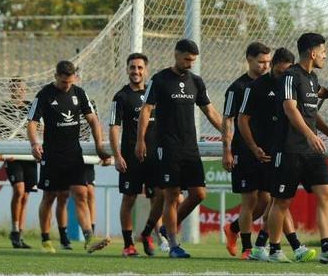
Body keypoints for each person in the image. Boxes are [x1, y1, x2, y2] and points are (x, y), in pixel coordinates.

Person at [266, 33, 328, 264]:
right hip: (289, 149)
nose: (326, 55)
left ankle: (327, 248)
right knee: (281, 201)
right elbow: (290, 108)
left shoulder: (312, 78)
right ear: (313, 53)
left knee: (326, 193)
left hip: (311, 151)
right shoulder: (289, 76)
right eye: (324, 52)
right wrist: (310, 135)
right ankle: (274, 250)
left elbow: (321, 98)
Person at [135, 39, 225, 258]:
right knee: (172, 195)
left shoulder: (196, 81)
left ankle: (168, 227)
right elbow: (146, 110)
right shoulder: (160, 79)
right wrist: (141, 141)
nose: (190, 64)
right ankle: (174, 245)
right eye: (187, 59)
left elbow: (210, 112)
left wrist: (229, 133)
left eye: (193, 60)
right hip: (167, 146)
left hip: (190, 146)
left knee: (199, 194)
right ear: (176, 54)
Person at [239, 47, 316, 263]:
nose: (285, 76)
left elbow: (309, 107)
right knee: (275, 202)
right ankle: (284, 246)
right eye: (281, 72)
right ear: (274, 66)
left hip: (281, 150)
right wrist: (254, 148)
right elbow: (242, 119)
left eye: (288, 72)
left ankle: (264, 247)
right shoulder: (256, 87)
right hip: (261, 153)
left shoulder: (292, 83)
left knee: (278, 201)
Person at [28, 60, 111, 254]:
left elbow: (93, 120)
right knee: (49, 196)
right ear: (56, 76)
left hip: (73, 154)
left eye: (70, 82)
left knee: (81, 194)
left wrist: (99, 144)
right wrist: (34, 144)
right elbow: (31, 123)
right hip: (52, 155)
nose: (67, 85)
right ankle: (46, 239)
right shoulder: (44, 95)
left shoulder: (79, 93)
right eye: (64, 82)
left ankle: (89, 239)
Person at [109, 53, 164, 256]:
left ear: (146, 70)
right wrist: (117, 155)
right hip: (131, 157)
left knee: (159, 196)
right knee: (129, 198)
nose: (136, 71)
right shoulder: (120, 96)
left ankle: (151, 236)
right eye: (133, 67)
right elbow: (114, 127)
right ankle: (127, 244)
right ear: (127, 69)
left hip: (154, 157)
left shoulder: (155, 93)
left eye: (140, 68)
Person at [222, 42, 272, 258]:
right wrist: (227, 150)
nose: (265, 66)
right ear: (249, 60)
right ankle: (247, 248)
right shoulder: (237, 88)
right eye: (261, 62)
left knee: (266, 201)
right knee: (249, 200)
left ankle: (232, 228)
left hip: (267, 151)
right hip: (244, 151)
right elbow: (227, 119)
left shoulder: (273, 84)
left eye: (268, 62)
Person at [0, 77, 37, 249]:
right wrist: (5, 151)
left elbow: (38, 127)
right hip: (13, 155)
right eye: (15, 88)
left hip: (29, 154)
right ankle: (14, 229)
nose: (19, 91)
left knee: (26, 195)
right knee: (19, 190)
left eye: (21, 88)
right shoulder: (3, 108)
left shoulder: (31, 106)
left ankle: (20, 233)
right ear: (10, 90)